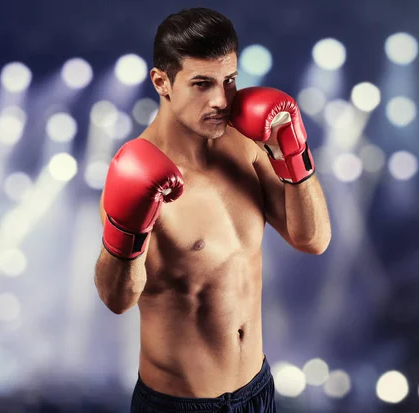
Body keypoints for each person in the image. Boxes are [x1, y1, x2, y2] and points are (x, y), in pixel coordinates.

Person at [95, 7, 331, 413]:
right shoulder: (139, 173)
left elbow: (313, 240)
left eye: (230, 81)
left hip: (256, 390)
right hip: (178, 404)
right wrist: (126, 232)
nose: (222, 100)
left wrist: (292, 153)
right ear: (162, 82)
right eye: (202, 84)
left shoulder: (244, 146)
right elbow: (118, 299)